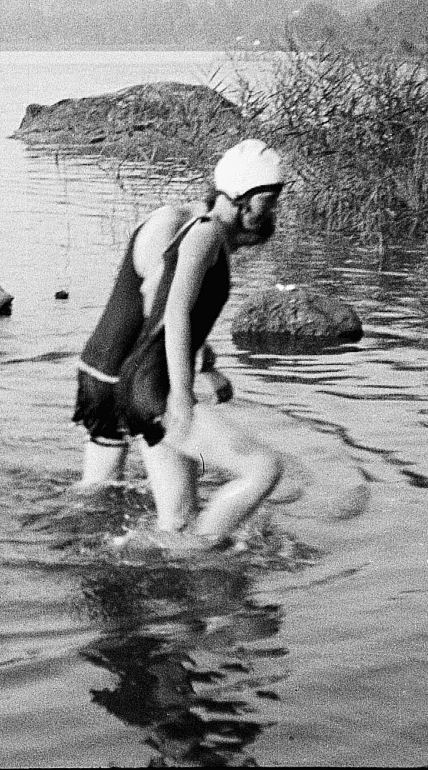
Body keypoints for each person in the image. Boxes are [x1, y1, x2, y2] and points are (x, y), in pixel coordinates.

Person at [74, 138, 286, 550]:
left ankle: (125, 558)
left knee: (176, 520)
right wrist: (184, 402)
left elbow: (163, 303)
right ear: (242, 197)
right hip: (153, 393)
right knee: (264, 469)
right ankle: (199, 552)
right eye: (270, 200)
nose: (273, 210)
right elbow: (174, 313)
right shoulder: (205, 234)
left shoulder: (204, 234)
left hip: (145, 389)